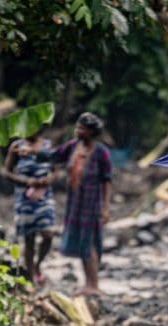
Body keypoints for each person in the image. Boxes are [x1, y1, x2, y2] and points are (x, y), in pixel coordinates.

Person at [53, 112, 113, 296]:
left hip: (92, 204)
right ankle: (87, 283)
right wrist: (32, 152)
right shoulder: (73, 147)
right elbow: (53, 157)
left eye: (81, 128)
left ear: (91, 132)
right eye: (77, 127)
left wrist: (105, 208)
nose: (77, 131)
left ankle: (93, 285)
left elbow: (107, 181)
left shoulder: (101, 152)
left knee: (90, 244)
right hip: (75, 204)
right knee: (81, 243)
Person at [3, 129, 59, 287]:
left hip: (44, 196)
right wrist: (26, 181)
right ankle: (32, 274)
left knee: (48, 233)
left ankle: (38, 264)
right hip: (24, 197)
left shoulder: (48, 145)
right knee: (29, 238)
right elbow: (6, 172)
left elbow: (56, 171)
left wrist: (47, 180)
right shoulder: (17, 147)